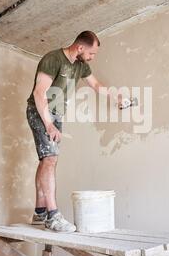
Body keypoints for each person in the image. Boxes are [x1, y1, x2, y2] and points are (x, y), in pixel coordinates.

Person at [26, 31, 123, 232]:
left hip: (57, 114)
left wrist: (116, 98)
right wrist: (49, 124)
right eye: (91, 53)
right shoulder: (53, 59)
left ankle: (39, 212)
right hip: (40, 111)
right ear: (80, 48)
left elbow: (95, 84)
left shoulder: (81, 66)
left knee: (48, 159)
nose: (92, 57)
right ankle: (52, 216)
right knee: (50, 159)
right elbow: (38, 93)